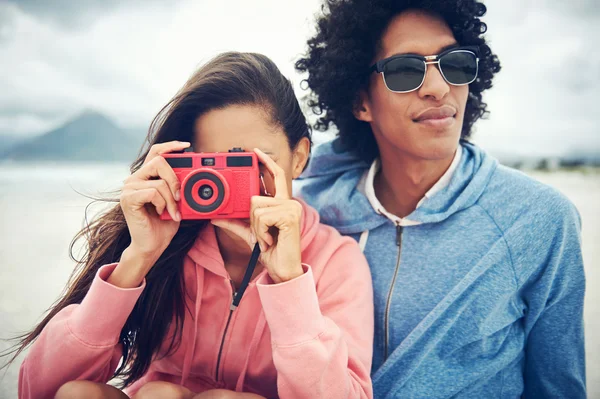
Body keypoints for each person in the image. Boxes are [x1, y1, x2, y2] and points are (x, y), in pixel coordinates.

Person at [10, 52, 374, 399]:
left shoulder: (335, 261)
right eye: (212, 165)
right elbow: (40, 390)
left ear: (299, 158)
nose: (234, 182)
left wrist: (290, 282)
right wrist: (137, 257)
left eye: (252, 162)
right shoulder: (169, 243)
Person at [294, 1, 586, 398]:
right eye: (404, 70)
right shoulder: (309, 218)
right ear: (360, 102)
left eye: (454, 63)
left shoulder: (539, 219)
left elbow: (559, 388)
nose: (438, 87)